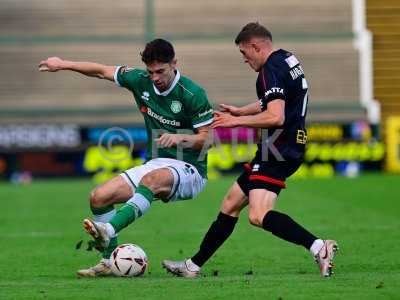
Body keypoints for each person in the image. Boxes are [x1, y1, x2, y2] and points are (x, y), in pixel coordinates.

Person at [162, 23, 338, 278]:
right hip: (285, 145)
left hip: (278, 148)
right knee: (231, 203)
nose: (244, 60)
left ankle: (319, 247)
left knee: (258, 215)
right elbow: (275, 99)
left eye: (245, 53)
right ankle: (193, 266)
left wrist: (234, 122)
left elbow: (275, 116)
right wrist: (241, 111)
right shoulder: (287, 59)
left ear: (256, 46)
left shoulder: (268, 70)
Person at [39, 39, 214, 277]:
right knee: (99, 197)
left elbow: (210, 140)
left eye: (160, 71)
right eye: (151, 72)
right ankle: (108, 261)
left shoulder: (192, 93)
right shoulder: (140, 80)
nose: (155, 77)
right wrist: (63, 64)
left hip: (191, 169)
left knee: (151, 181)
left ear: (174, 63)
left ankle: (108, 229)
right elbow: (101, 71)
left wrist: (179, 138)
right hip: (157, 163)